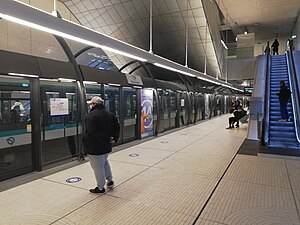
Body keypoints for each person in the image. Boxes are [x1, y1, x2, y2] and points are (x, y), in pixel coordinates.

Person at [84, 96, 120, 193]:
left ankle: (100, 187)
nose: (90, 106)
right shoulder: (110, 114)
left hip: (95, 147)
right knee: (104, 162)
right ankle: (110, 180)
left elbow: (93, 132)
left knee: (98, 168)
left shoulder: (91, 116)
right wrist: (113, 138)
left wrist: (106, 139)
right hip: (106, 146)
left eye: (91, 104)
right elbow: (117, 127)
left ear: (94, 104)